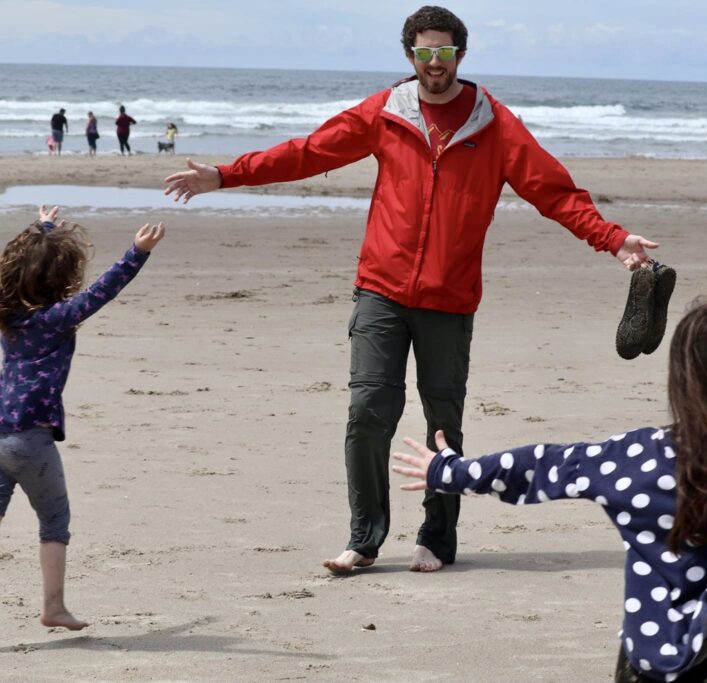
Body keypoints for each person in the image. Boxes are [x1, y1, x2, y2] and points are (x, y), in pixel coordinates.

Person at [164, 5, 658, 575]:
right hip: (381, 288)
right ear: (410, 56)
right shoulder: (387, 112)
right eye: (424, 53)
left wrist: (614, 239)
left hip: (449, 299)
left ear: (460, 56)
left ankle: (437, 538)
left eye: (444, 53)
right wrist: (227, 174)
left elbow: (556, 193)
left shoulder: (495, 125)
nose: (434, 63)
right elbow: (309, 152)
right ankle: (365, 538)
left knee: (443, 421)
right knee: (367, 411)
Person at [392, 297, 707, 682]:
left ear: (687, 382)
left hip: (649, 660)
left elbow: (546, 464)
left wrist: (449, 472)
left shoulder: (643, 459)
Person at [0, 205, 165, 656]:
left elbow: (33, 262)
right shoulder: (54, 318)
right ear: (60, 276)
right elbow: (100, 293)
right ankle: (53, 606)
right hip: (30, 440)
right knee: (55, 522)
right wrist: (137, 253)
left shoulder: (10, 314)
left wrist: (45, 229)